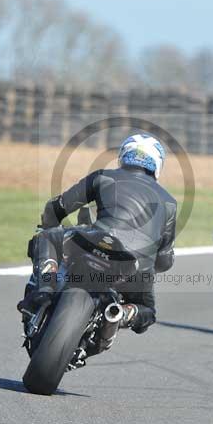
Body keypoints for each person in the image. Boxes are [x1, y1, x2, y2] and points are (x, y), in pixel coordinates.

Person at [18, 134, 177, 334]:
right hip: (137, 265)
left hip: (98, 240)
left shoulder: (103, 177)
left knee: (46, 238)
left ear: (123, 156)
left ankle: (43, 292)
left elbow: (58, 207)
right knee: (148, 312)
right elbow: (164, 261)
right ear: (157, 165)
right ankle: (121, 315)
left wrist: (49, 225)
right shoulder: (170, 202)